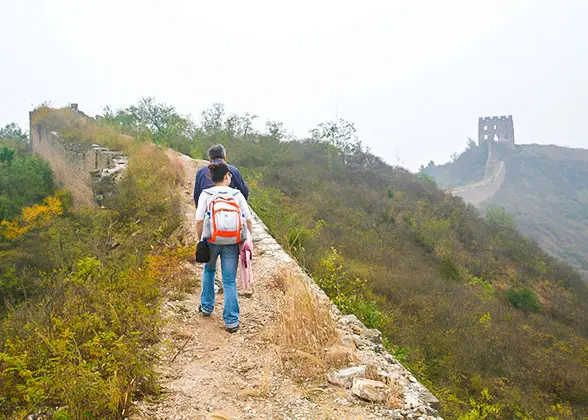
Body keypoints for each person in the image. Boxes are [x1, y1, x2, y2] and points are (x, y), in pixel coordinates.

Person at [195, 162, 253, 333]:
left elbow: (199, 220)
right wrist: (246, 240)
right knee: (229, 281)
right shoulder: (237, 194)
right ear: (227, 176)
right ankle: (231, 321)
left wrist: (199, 239)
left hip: (211, 240)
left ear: (212, 178)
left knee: (209, 271)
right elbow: (248, 220)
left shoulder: (206, 194)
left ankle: (206, 307)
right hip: (232, 242)